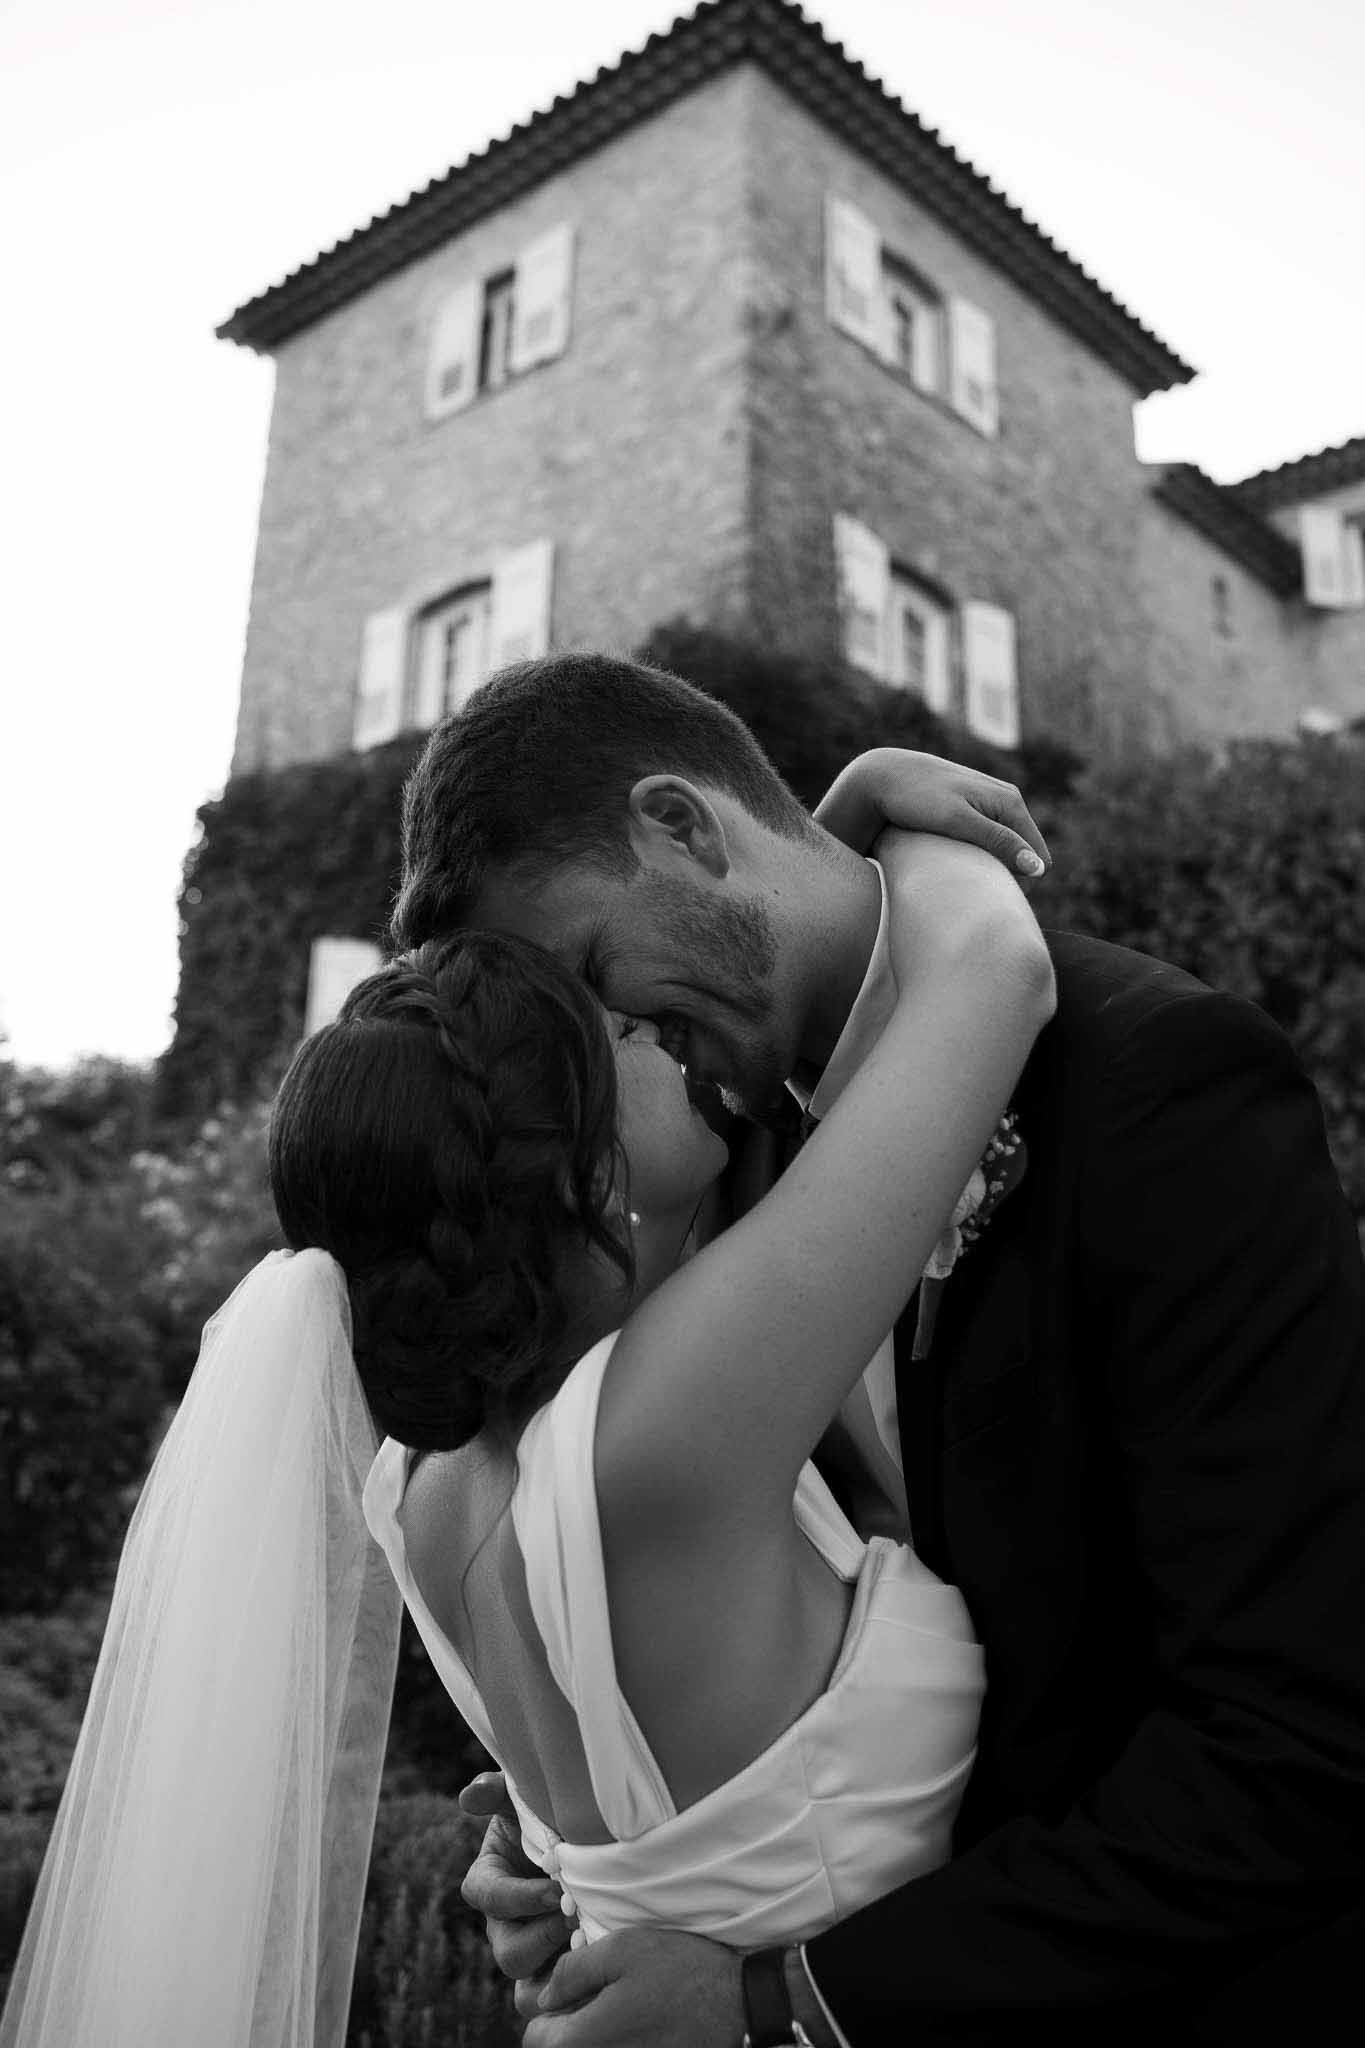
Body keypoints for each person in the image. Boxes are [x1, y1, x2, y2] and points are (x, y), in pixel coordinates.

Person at [0, 737, 1048, 2048]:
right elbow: (992, 980)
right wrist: (896, 828)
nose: (674, 1029)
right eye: (625, 1026)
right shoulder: (657, 1437)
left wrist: (796, 839)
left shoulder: (422, 1492)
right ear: (585, 1172)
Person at [393, 652, 1365, 2047]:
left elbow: (1296, 1743)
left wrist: (784, 2001)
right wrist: (587, 1843)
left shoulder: (1159, 1086)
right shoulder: (705, 1167)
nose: (612, 1058)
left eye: (600, 984)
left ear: (680, 826)